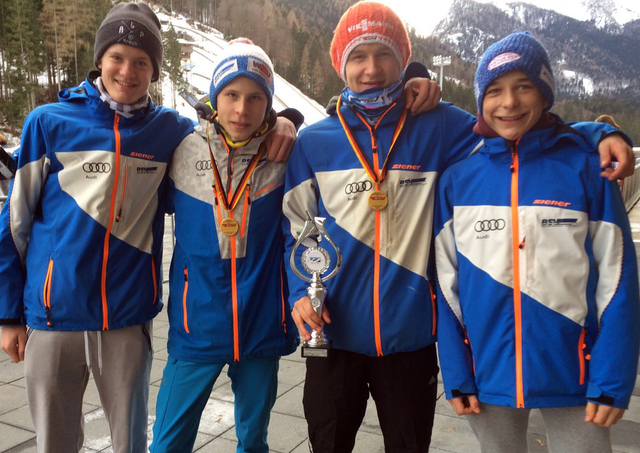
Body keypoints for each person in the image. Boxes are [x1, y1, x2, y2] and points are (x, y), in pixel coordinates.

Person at [282, 2, 634, 452]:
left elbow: (515, 131)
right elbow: (297, 229)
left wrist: (593, 133)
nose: (372, 69)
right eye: (358, 56)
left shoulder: (442, 124)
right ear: (340, 65)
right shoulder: (314, 140)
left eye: (384, 54)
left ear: (402, 59)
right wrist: (298, 292)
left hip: (409, 340)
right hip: (334, 333)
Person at [0, 4, 297, 452]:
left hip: (125, 315)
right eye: (118, 57)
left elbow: (244, 126)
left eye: (142, 61)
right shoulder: (48, 123)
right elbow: (14, 223)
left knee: (132, 444)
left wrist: (289, 117)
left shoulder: (168, 132)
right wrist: (7, 314)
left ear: (155, 70)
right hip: (53, 314)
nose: (128, 70)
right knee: (54, 444)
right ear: (100, 58)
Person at [434, 31, 640, 453]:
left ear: (545, 94)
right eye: (494, 91)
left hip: (575, 374)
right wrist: (456, 372)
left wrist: (613, 377)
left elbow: (618, 281)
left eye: (523, 86)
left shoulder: (587, 169)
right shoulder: (458, 180)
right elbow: (445, 285)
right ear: (480, 100)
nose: (508, 102)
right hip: (487, 372)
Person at [149, 38, 301, 453]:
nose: (241, 109)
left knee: (253, 442)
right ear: (215, 97)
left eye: (255, 98)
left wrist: (289, 121)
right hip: (197, 327)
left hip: (261, 326)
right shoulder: (181, 148)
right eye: (231, 95)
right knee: (167, 442)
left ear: (268, 104)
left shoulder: (284, 155)